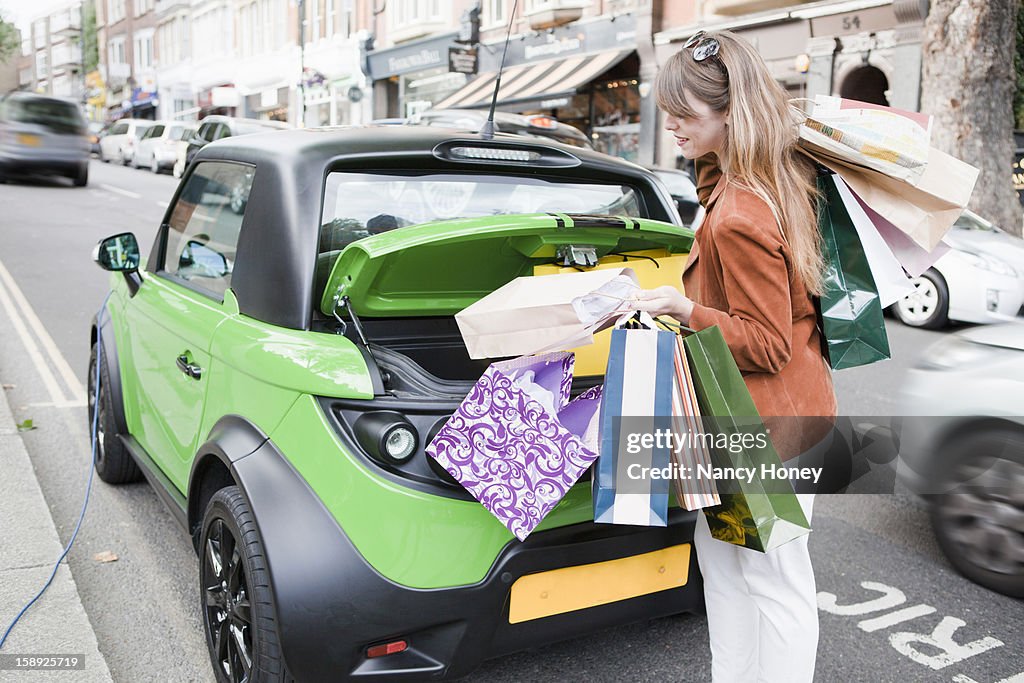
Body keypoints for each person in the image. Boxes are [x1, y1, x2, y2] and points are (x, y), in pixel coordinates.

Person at [631, 30, 838, 683]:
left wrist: (684, 308)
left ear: (730, 113)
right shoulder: (759, 180)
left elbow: (767, 340)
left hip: (762, 432)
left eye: (686, 113)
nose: (672, 124)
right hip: (765, 424)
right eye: (669, 109)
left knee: (769, 580)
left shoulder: (740, 210)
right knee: (728, 566)